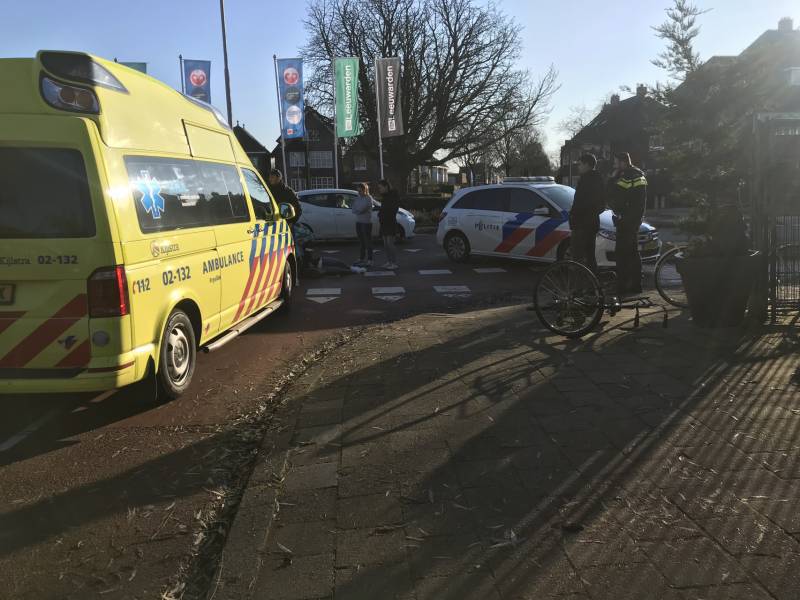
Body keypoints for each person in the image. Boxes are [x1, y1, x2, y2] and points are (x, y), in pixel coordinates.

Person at [608, 152, 647, 296]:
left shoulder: (626, 176)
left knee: (622, 254)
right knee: (633, 253)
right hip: (634, 220)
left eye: (616, 162)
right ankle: (636, 285)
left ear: (623, 162)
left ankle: (622, 287)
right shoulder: (638, 175)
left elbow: (614, 194)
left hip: (625, 220)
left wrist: (612, 178)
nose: (614, 165)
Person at [570, 153, 606, 273]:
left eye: (580, 164)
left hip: (581, 225)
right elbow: (601, 205)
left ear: (587, 165)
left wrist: (576, 216)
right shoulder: (598, 179)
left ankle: (579, 284)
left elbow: (581, 203)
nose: (578, 166)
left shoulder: (586, 180)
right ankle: (592, 282)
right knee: (590, 256)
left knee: (578, 258)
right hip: (591, 224)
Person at [267, 168, 303, 259]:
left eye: (272, 177)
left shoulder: (288, 192)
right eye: (269, 177)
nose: (270, 179)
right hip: (270, 225)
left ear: (279, 178)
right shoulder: (267, 191)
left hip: (286, 226)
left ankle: (296, 264)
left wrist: (292, 222)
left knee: (289, 252)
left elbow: (298, 209)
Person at [376, 179, 399, 270]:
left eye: (380, 188)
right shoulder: (384, 197)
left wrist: (384, 214)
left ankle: (394, 263)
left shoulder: (393, 196)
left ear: (386, 187)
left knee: (390, 244)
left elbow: (393, 209)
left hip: (390, 222)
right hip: (384, 223)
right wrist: (380, 214)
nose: (379, 190)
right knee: (385, 244)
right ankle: (389, 261)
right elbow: (383, 208)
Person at [351, 183, 374, 266]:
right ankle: (361, 258)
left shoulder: (368, 198)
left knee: (368, 242)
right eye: (358, 191)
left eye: (360, 190)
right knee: (361, 242)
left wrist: (358, 210)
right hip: (358, 222)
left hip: (366, 223)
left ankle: (370, 260)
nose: (359, 192)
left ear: (365, 190)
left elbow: (362, 209)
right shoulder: (357, 198)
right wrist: (358, 210)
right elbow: (353, 209)